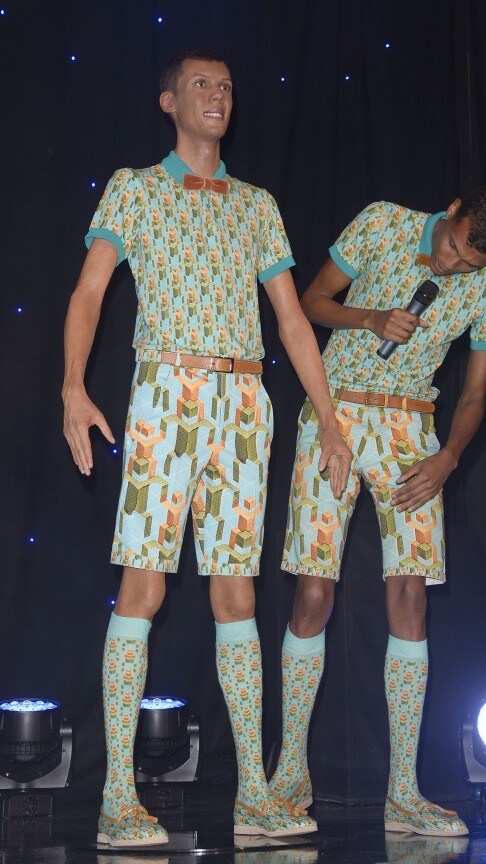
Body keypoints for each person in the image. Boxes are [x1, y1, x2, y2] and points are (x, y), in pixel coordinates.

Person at [62, 49, 351, 847]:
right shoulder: (135, 186)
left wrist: (328, 418)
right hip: (166, 394)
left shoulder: (257, 203)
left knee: (238, 598)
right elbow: (90, 289)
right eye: (201, 86)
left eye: (226, 87)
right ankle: (117, 799)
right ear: (168, 101)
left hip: (243, 401)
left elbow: (293, 319)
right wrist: (72, 386)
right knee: (143, 589)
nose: (217, 96)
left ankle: (254, 799)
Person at [269, 186, 486, 836]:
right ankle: (287, 777)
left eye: (468, 264)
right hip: (337, 415)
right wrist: (370, 318)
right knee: (312, 592)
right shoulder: (383, 223)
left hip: (414, 431)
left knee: (410, 596)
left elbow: (474, 394)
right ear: (452, 210)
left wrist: (450, 459)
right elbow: (310, 303)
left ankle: (404, 797)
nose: (450, 267)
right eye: (451, 248)